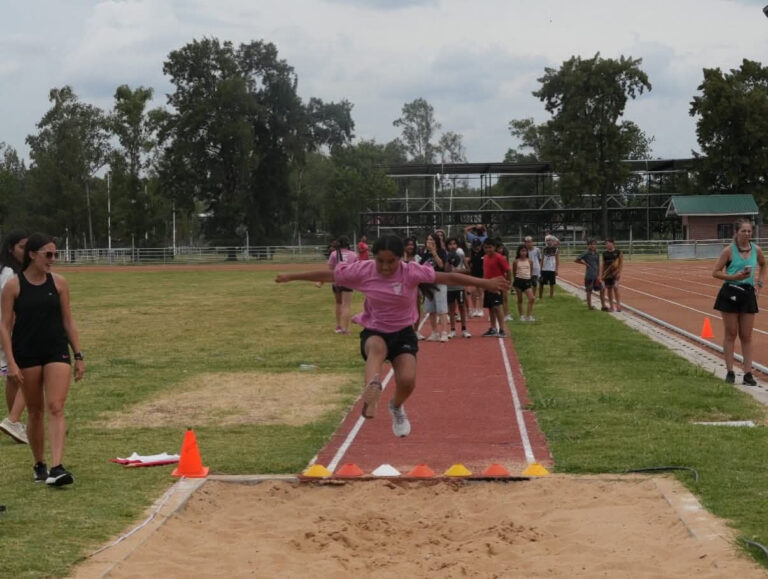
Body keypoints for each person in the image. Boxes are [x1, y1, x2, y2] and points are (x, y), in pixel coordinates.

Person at [275, 235, 509, 437]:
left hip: (403, 332)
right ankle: (372, 391)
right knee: (376, 349)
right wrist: (291, 277)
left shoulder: (411, 272)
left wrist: (485, 283)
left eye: (391, 262)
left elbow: (449, 278)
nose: (386, 267)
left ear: (401, 258)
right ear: (373, 258)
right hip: (375, 329)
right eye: (381, 261)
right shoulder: (362, 270)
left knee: (407, 381)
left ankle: (396, 407)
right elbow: (330, 275)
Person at [0, 233, 85, 485]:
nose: (53, 259)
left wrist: (78, 355)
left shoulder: (59, 283)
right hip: (26, 352)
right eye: (48, 254)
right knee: (35, 411)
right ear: (33, 255)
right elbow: (4, 327)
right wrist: (12, 364)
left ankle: (58, 467)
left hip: (56, 350)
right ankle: (40, 463)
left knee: (56, 406)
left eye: (55, 255)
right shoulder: (13, 286)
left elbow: (68, 321)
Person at [712, 218, 765, 385]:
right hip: (730, 293)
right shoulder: (728, 251)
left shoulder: (756, 249)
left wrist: (760, 283)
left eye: (749, 231)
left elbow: (764, 265)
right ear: (736, 232)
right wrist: (733, 277)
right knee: (731, 333)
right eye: (744, 231)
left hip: (748, 294)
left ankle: (748, 373)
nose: (747, 234)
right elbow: (715, 272)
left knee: (747, 335)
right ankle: (729, 371)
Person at [0, 229, 29, 444]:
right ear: (11, 248)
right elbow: (8, 308)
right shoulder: (9, 274)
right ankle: (13, 419)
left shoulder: (7, 270)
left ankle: (15, 424)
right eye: (21, 247)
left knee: (12, 376)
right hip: (7, 330)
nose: (26, 251)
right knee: (33, 373)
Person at [420, 232, 449, 342]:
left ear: (436, 241)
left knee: (442, 308)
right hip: (428, 284)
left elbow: (441, 265)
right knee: (431, 309)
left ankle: (444, 332)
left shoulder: (442, 252)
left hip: (439, 282)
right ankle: (434, 332)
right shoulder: (425, 254)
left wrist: (433, 252)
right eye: (428, 239)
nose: (429, 242)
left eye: (432, 240)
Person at [327, 236, 357, 334]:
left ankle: (338, 326)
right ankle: (346, 329)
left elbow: (330, 269)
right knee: (347, 305)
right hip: (348, 281)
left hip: (336, 281)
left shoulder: (333, 254)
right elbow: (356, 269)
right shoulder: (353, 254)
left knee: (338, 303)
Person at [481, 238, 510, 338]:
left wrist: (508, 283)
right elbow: (485, 271)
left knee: (497, 307)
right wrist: (484, 283)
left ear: (494, 247)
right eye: (486, 248)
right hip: (488, 286)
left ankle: (502, 329)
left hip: (497, 286)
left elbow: (508, 270)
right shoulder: (485, 257)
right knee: (490, 308)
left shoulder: (499, 258)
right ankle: (493, 328)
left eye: (490, 247)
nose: (488, 250)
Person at [445, 237, 471, 338]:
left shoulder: (461, 254)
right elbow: (446, 270)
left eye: (454, 244)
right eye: (450, 244)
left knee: (461, 307)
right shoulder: (446, 255)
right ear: (447, 246)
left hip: (459, 286)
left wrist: (456, 272)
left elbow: (468, 270)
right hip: (449, 287)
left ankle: (464, 329)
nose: (452, 246)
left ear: (457, 245)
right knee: (451, 309)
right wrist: (449, 261)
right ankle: (452, 330)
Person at [575, 239, 607, 311]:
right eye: (591, 244)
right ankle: (590, 306)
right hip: (589, 275)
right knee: (589, 291)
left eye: (594, 244)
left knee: (602, 289)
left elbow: (598, 264)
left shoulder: (596, 253)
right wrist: (585, 264)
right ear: (588, 245)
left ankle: (603, 306)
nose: (593, 246)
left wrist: (599, 275)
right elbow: (576, 259)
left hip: (596, 276)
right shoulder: (586, 253)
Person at [512, 244, 537, 322]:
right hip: (518, 281)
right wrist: (514, 283)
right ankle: (521, 316)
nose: (523, 252)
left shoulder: (530, 261)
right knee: (520, 300)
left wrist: (530, 280)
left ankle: (528, 316)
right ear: (519, 252)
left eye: (525, 251)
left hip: (527, 281)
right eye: (522, 251)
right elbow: (514, 272)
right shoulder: (516, 261)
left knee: (532, 298)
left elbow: (531, 272)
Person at [601, 239, 623, 312]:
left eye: (607, 243)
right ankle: (611, 306)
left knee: (616, 288)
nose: (606, 245)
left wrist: (619, 273)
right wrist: (602, 274)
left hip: (615, 273)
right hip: (607, 274)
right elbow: (603, 264)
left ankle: (618, 305)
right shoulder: (604, 253)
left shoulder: (618, 252)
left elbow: (621, 264)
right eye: (605, 244)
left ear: (612, 244)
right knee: (609, 289)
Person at [468, 239, 485, 317]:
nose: (476, 248)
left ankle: (480, 309)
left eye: (477, 246)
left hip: (481, 275)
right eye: (474, 246)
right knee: (473, 292)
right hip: (473, 274)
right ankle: (474, 309)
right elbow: (470, 263)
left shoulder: (483, 252)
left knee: (481, 292)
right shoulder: (471, 252)